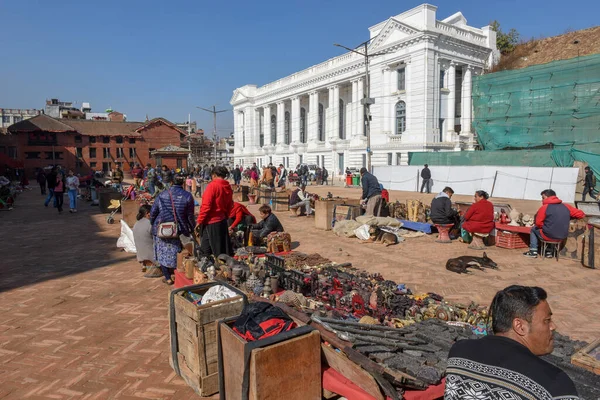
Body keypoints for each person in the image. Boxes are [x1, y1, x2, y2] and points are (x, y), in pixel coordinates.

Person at [445, 285, 580, 399]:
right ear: (520, 326)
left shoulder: (459, 353)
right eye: (547, 320)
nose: (553, 326)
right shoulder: (554, 383)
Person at [150, 174, 196, 285]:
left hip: (162, 228)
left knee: (162, 252)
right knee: (177, 252)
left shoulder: (162, 195)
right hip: (178, 229)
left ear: (171, 183)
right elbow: (190, 216)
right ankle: (177, 273)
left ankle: (168, 277)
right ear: (183, 183)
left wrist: (153, 224)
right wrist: (192, 227)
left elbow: (153, 213)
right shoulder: (188, 196)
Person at [524, 189, 585, 258]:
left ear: (547, 197)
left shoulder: (544, 207)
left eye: (543, 198)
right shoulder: (566, 206)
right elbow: (581, 214)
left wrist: (545, 226)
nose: (542, 200)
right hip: (562, 236)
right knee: (552, 229)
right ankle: (549, 252)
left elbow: (538, 223)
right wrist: (568, 217)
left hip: (548, 235)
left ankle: (533, 251)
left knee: (534, 229)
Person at [196, 166, 234, 258]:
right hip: (222, 220)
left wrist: (199, 221)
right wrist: (225, 216)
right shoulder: (227, 186)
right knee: (220, 248)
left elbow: (206, 206)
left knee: (206, 251)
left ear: (214, 175)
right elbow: (230, 205)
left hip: (211, 221)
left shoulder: (213, 186)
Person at [132, 205, 158, 274]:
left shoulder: (136, 224)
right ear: (147, 213)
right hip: (150, 256)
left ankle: (144, 264)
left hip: (140, 256)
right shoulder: (150, 224)